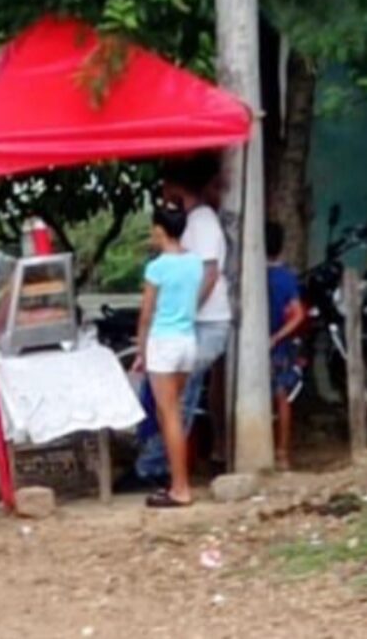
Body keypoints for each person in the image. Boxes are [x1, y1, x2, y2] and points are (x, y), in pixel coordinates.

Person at [131, 155, 230, 486]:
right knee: (177, 403)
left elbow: (210, 272)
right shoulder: (194, 221)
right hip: (193, 326)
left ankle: (156, 469)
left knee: (177, 404)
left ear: (176, 187)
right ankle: (162, 468)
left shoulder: (201, 222)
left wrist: (183, 312)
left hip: (201, 324)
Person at [134, 205, 202, 508]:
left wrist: (140, 349)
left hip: (164, 342)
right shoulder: (194, 263)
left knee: (169, 414)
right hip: (188, 341)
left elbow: (147, 313)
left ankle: (180, 487)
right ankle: (176, 480)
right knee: (170, 412)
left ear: (160, 230)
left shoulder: (157, 267)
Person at [266, 221, 307, 471]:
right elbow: (298, 315)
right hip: (279, 348)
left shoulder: (254, 276)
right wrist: (279, 337)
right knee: (282, 399)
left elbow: (298, 313)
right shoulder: (286, 277)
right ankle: (282, 454)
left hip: (268, 347)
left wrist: (273, 337)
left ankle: (278, 453)